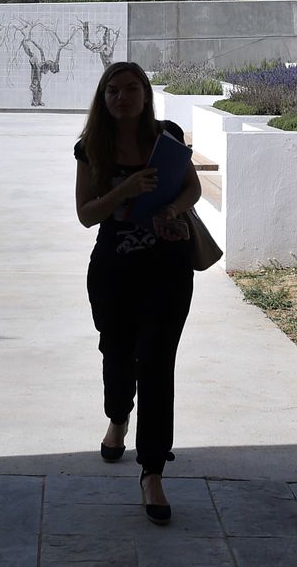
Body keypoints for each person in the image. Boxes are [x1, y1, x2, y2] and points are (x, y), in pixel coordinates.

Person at [74, 60, 202, 525]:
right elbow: (87, 214)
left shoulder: (166, 136)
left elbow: (191, 186)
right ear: (103, 98)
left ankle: (152, 470)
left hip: (167, 267)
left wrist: (172, 207)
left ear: (145, 94)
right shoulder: (92, 148)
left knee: (156, 362)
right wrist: (125, 189)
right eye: (113, 90)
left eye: (131, 88)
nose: (122, 97)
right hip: (114, 269)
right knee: (116, 351)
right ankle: (117, 416)